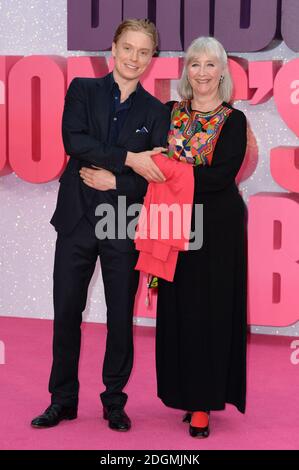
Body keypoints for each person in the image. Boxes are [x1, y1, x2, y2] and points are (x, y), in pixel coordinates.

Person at [31, 18, 169, 432]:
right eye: (128, 48)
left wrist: (117, 179)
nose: (134, 58)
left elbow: (157, 173)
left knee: (119, 318)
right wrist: (129, 159)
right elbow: (75, 142)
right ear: (113, 47)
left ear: (151, 59)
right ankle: (63, 399)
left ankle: (114, 400)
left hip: (122, 223)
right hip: (76, 218)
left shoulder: (156, 111)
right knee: (66, 311)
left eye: (144, 52)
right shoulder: (82, 90)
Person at [155, 36, 248, 438]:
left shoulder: (234, 120)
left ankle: (204, 402)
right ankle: (183, 391)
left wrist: (168, 170)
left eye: (212, 64)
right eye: (196, 64)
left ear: (223, 72)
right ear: (186, 71)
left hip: (217, 228)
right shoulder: (168, 112)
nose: (203, 72)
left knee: (210, 311)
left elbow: (219, 177)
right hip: (172, 222)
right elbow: (148, 156)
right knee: (178, 309)